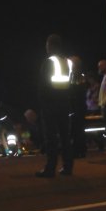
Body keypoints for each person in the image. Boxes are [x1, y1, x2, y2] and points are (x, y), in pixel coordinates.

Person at [36, 34, 74, 177]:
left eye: (47, 44)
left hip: (50, 105)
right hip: (64, 103)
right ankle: (68, 167)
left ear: (51, 45)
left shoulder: (49, 61)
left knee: (51, 138)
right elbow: (70, 84)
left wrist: (40, 104)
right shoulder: (67, 62)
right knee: (65, 137)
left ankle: (50, 168)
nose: (46, 47)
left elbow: (42, 85)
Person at [68, 55, 88, 159]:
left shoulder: (78, 76)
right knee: (77, 129)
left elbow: (77, 91)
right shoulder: (75, 76)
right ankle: (79, 149)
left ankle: (78, 150)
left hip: (78, 107)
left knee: (77, 129)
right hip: (77, 106)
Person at [97, 59, 106, 149]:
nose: (99, 68)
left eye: (100, 66)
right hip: (104, 105)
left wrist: (105, 102)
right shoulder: (105, 76)